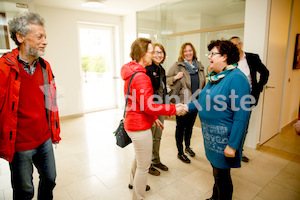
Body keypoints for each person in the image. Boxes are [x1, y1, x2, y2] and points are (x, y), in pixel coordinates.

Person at [0, 12, 61, 200]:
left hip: (44, 138)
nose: (45, 41)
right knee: (24, 191)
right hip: (19, 144)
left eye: (45, 36)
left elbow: (51, 101)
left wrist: (54, 132)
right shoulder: (4, 68)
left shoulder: (45, 66)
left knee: (50, 179)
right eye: (39, 37)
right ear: (20, 37)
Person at [184, 40, 252, 200]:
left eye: (213, 53)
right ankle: (215, 197)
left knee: (222, 177)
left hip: (224, 141)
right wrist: (186, 107)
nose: (209, 57)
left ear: (225, 57)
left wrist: (233, 145)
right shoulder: (215, 77)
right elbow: (203, 101)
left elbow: (242, 116)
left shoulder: (237, 78)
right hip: (211, 139)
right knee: (217, 173)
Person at [121, 38, 186, 200]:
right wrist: (173, 108)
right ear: (143, 54)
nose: (154, 54)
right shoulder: (141, 76)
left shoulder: (131, 71)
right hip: (139, 126)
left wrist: (154, 117)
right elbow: (149, 105)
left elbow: (141, 103)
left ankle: (132, 182)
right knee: (144, 167)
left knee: (139, 157)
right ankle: (138, 197)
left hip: (133, 121)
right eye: (151, 51)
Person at [229, 36, 269, 162]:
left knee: (243, 126)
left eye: (235, 45)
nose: (234, 48)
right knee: (230, 125)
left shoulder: (252, 58)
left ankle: (239, 151)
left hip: (247, 99)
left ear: (240, 44)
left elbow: (265, 72)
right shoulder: (229, 59)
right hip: (230, 99)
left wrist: (258, 87)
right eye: (231, 46)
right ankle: (229, 149)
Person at [166, 42, 206, 163]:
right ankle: (180, 152)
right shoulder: (178, 65)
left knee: (190, 126)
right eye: (185, 51)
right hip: (182, 102)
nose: (188, 53)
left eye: (190, 51)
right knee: (180, 127)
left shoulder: (199, 66)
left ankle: (188, 147)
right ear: (182, 53)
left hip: (195, 102)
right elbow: (167, 79)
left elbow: (203, 82)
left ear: (193, 52)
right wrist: (175, 77)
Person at [145, 43, 169, 176]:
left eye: (161, 52)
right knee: (150, 137)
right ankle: (147, 164)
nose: (158, 55)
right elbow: (148, 93)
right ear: (150, 54)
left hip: (161, 108)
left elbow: (164, 90)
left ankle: (156, 160)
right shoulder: (148, 69)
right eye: (155, 52)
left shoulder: (162, 70)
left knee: (158, 137)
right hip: (151, 109)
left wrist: (167, 108)